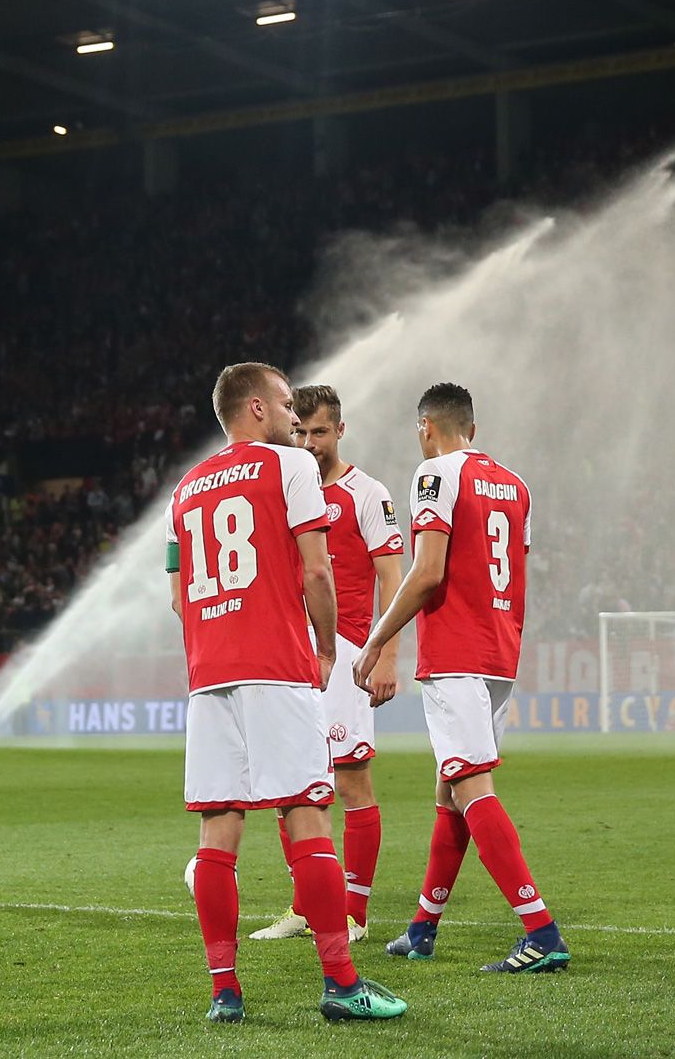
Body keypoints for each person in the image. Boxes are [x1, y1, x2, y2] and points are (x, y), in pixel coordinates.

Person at [165, 362, 406, 1024]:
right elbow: (318, 570)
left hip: (209, 676)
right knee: (308, 817)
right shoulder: (291, 468)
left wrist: (212, 645)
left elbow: (176, 593)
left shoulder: (184, 489)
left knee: (218, 833)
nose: (293, 417)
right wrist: (326, 647)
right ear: (255, 409)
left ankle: (224, 993)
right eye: (281, 403)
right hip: (277, 666)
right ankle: (342, 983)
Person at [354, 382, 569, 974]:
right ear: (471, 428)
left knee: (472, 787)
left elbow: (427, 573)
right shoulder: (516, 486)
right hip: (500, 652)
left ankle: (541, 932)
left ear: (426, 427)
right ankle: (423, 926)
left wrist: (377, 638)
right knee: (451, 790)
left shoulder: (435, 476)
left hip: (454, 652)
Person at [252, 385, 406, 943]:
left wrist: (386, 653)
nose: (308, 442)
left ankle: (354, 914)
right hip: (292, 656)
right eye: (300, 432)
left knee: (350, 782)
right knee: (292, 783)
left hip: (346, 655)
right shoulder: (285, 487)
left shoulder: (367, 493)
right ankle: (304, 907)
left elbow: (394, 576)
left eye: (319, 432)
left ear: (340, 431)